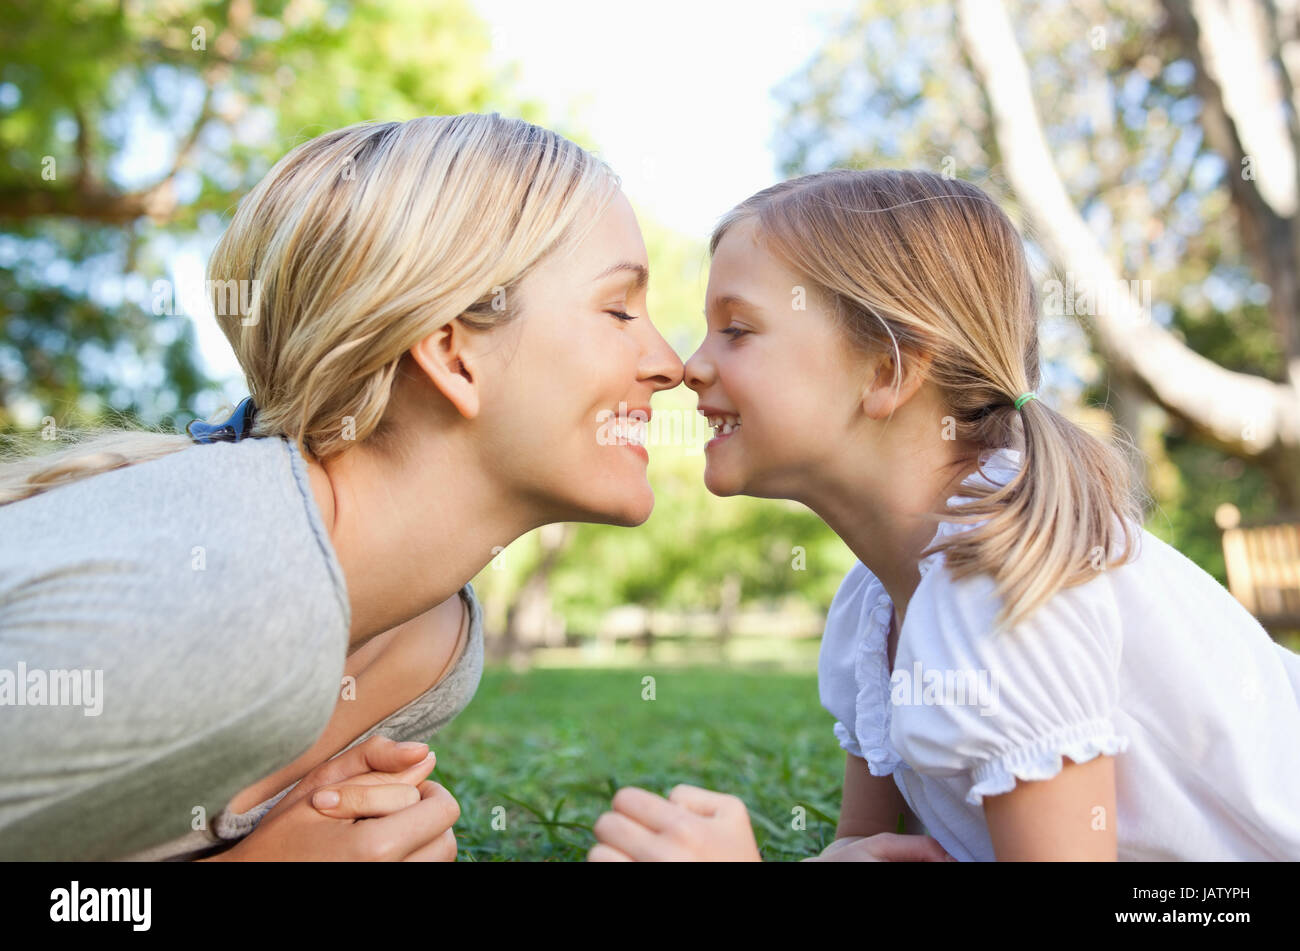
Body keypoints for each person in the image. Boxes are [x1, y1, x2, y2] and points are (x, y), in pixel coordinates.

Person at [0, 113, 683, 860]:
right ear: (453, 354)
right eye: (619, 308)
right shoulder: (230, 603)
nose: (669, 363)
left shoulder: (431, 646)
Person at [589, 169, 1300, 862]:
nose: (690, 366)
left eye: (737, 329)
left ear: (889, 371)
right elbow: (866, 848)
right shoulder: (876, 603)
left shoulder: (1006, 584)